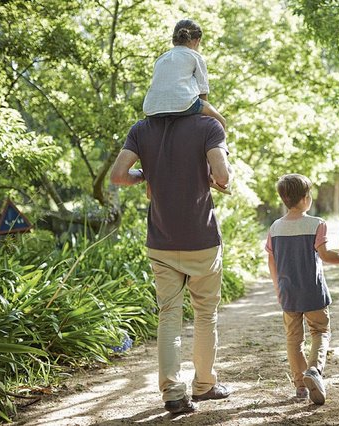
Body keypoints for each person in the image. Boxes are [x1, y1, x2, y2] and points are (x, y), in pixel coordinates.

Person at [110, 109, 232, 414]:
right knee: (205, 313)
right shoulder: (208, 126)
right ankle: (203, 385)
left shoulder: (141, 129)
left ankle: (173, 394)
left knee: (169, 315)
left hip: (162, 240)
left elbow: (118, 175)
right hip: (201, 240)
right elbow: (223, 175)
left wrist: (145, 175)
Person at [265, 174, 339, 405]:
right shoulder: (316, 224)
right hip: (313, 292)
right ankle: (314, 370)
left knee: (293, 339)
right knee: (320, 332)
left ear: (284, 199)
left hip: (288, 293)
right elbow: (324, 255)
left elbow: (271, 261)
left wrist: (277, 287)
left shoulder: (275, 228)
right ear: (305, 199)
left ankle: (300, 386)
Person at [143, 19, 226, 130]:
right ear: (197, 41)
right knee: (221, 121)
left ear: (174, 39)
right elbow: (203, 93)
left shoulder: (161, 58)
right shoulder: (195, 57)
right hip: (184, 105)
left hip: (152, 108)